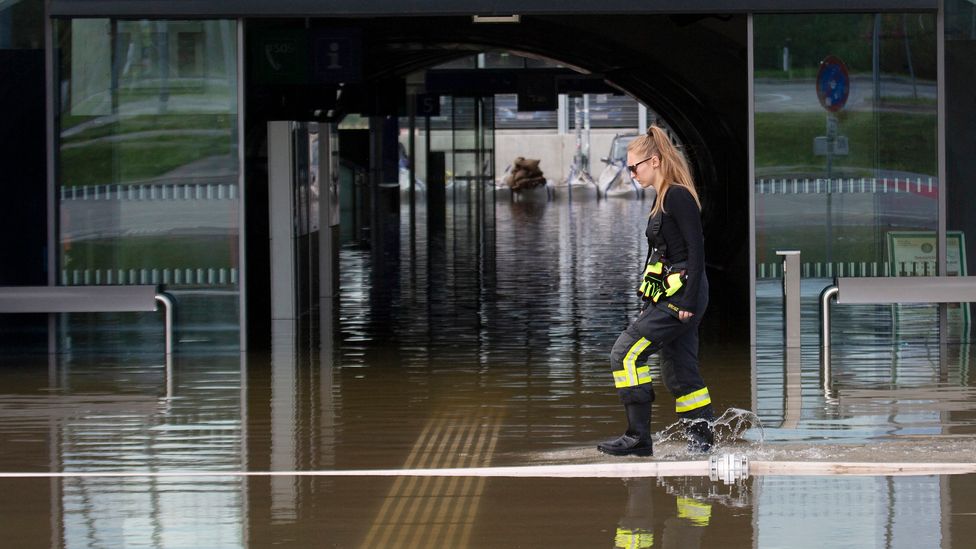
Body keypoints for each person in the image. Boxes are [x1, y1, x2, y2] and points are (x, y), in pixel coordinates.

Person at [597, 125, 715, 457]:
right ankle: (702, 443)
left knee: (625, 353)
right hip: (670, 296)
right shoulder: (661, 198)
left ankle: (637, 437)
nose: (631, 173)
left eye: (635, 166)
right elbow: (661, 258)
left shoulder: (676, 195)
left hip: (682, 297)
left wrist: (688, 302)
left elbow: (696, 250)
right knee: (679, 370)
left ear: (656, 160)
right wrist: (650, 302)